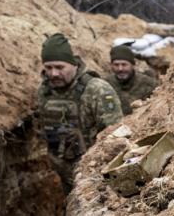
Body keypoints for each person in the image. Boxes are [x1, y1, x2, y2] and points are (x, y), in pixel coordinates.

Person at [36, 33, 122, 191]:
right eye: (48, 68)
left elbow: (116, 137)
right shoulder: (44, 92)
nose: (54, 73)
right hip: (61, 171)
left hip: (93, 176)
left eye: (60, 67)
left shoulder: (97, 89)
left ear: (74, 65)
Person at [104, 43, 159, 115]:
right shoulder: (105, 85)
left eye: (124, 64)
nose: (120, 69)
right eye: (116, 65)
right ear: (111, 65)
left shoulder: (149, 84)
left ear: (133, 65)